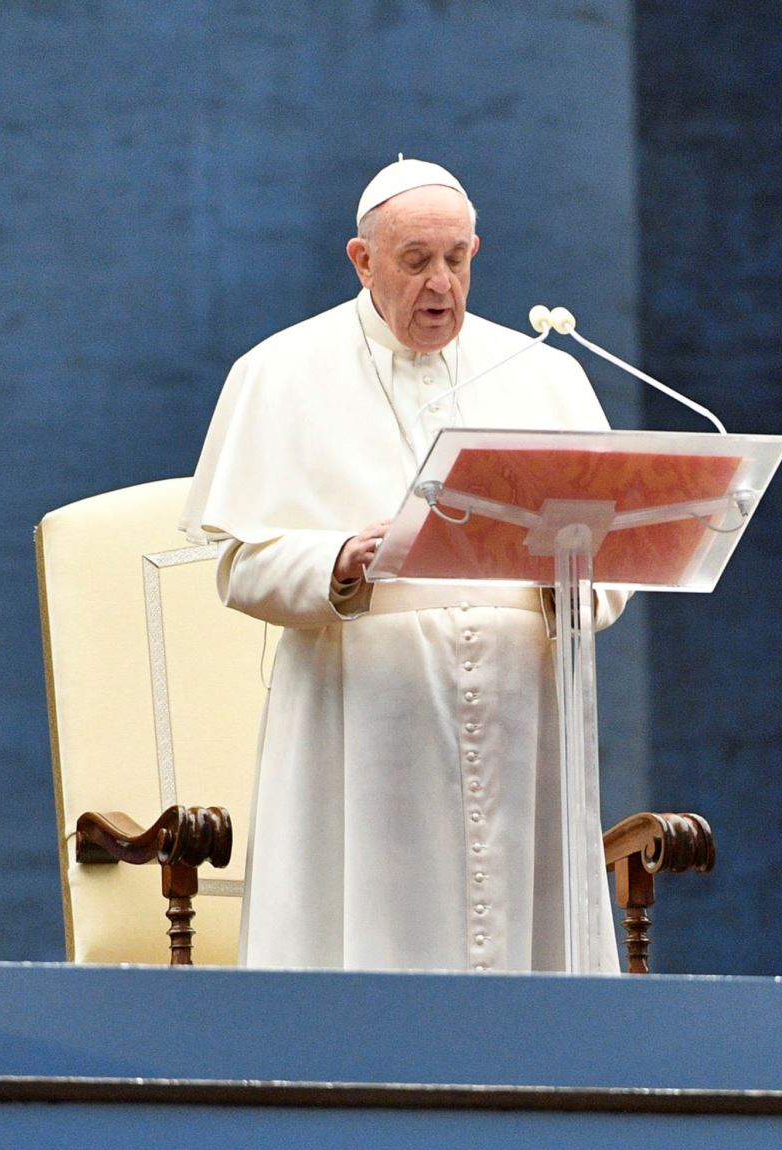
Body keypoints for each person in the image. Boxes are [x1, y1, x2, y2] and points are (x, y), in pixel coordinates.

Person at [180, 158, 625, 973]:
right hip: (365, 730)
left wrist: (568, 587)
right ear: (362, 260)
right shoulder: (280, 373)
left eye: (457, 260)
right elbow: (240, 568)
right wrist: (342, 561)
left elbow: (613, 572)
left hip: (524, 725)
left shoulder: (545, 376)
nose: (441, 285)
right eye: (416, 260)